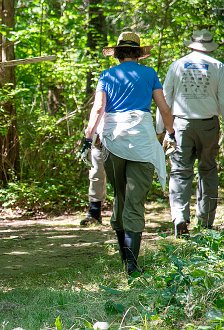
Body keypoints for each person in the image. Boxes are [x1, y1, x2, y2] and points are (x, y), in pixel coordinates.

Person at [82, 31, 175, 275]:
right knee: (135, 201)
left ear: (119, 53)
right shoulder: (149, 74)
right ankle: (132, 267)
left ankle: (126, 261)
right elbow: (163, 108)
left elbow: (99, 108)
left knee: (120, 196)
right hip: (142, 140)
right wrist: (171, 133)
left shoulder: (107, 75)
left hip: (114, 140)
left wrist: (88, 137)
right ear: (138, 53)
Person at [156, 29, 224, 236]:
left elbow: (165, 98)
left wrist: (161, 129)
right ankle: (205, 222)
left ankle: (179, 217)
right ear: (210, 46)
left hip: (181, 124)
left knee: (179, 171)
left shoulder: (177, 65)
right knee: (208, 170)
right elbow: (223, 100)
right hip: (208, 124)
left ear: (191, 44)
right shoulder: (218, 67)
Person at [79, 136, 107, 226]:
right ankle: (94, 213)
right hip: (99, 143)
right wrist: (88, 141)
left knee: (122, 177)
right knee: (96, 175)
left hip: (123, 143)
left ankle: (126, 214)